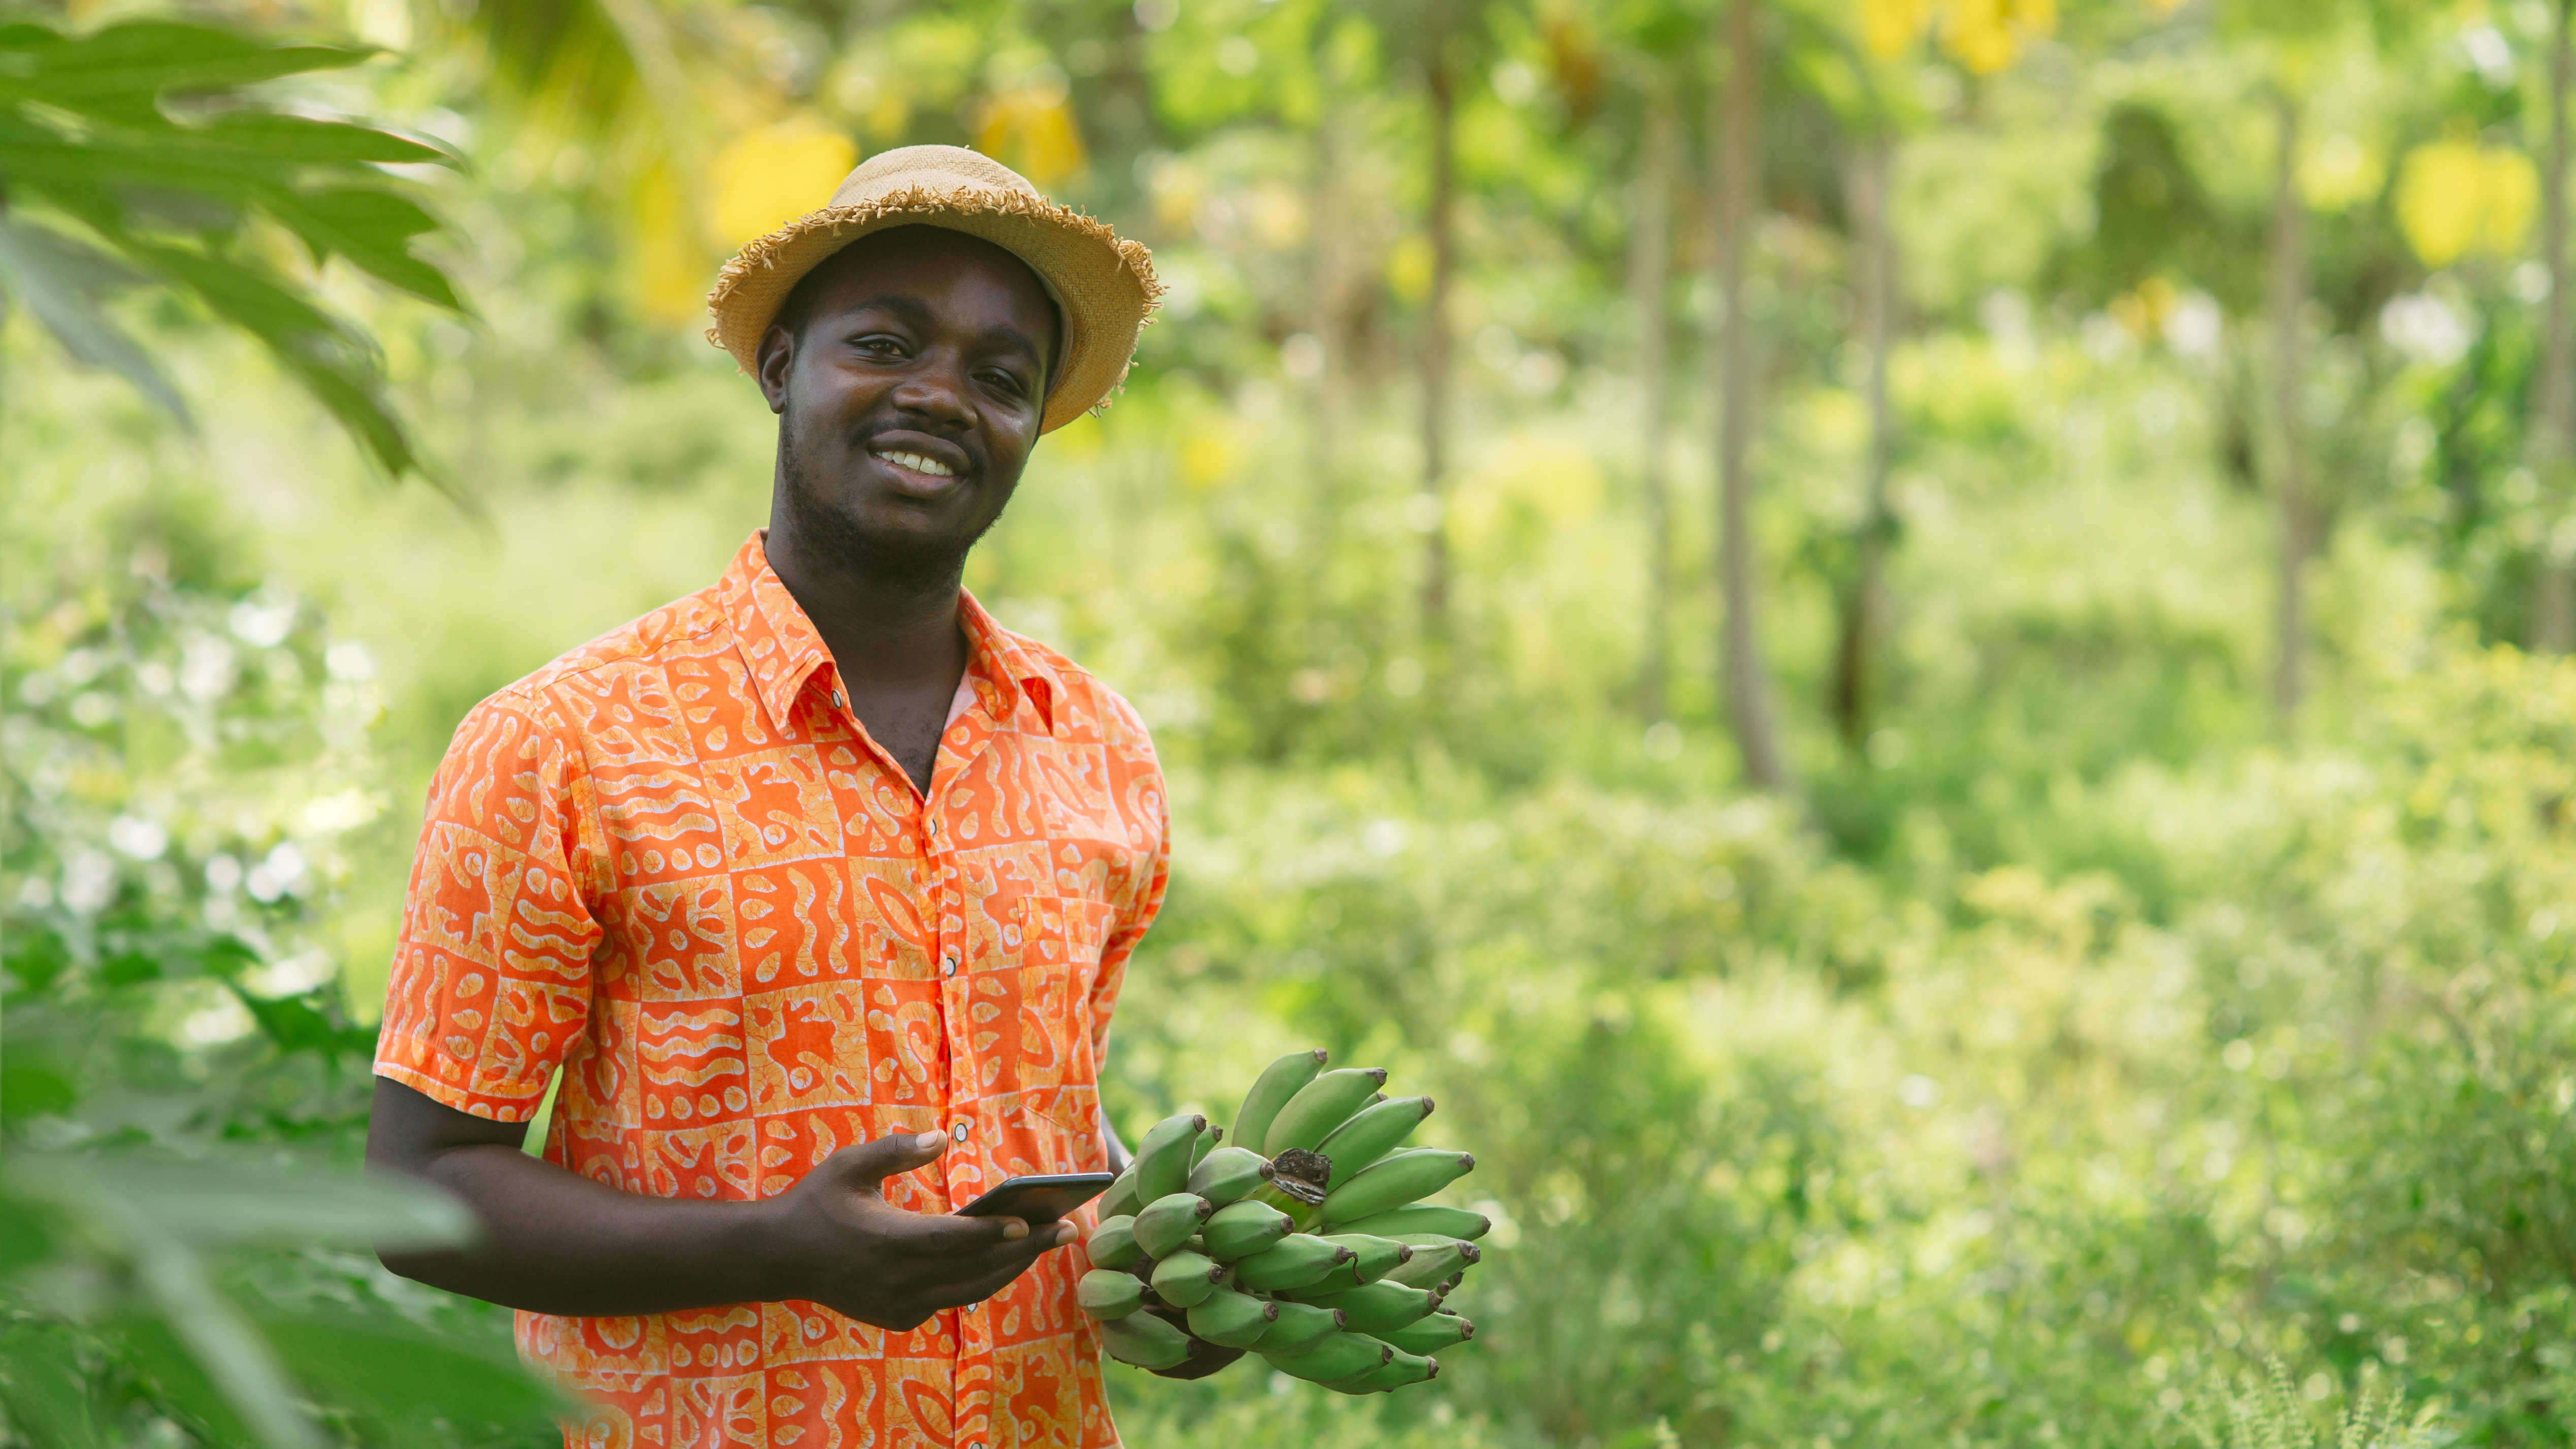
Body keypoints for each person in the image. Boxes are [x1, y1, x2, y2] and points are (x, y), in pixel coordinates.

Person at [365, 146, 1228, 1449]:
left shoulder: (1094, 744)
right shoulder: (563, 742)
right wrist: (777, 1245)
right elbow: (419, 1188)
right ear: (781, 367)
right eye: (885, 342)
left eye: (1000, 377)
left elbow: (1042, 1097)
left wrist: (1160, 1260)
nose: (940, 396)